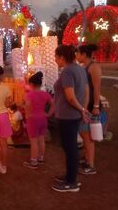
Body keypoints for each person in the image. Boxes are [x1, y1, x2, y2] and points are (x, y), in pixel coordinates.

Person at [52, 45, 89, 193]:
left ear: (62, 57)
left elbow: (70, 97)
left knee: (70, 148)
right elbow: (86, 90)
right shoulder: (80, 68)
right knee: (71, 147)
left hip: (68, 116)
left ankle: (71, 182)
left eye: (56, 57)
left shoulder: (67, 71)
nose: (55, 60)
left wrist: (81, 109)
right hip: (74, 115)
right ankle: (69, 176)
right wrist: (84, 109)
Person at [76, 44, 102, 175]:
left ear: (84, 55)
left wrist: (96, 106)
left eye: (78, 53)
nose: (76, 56)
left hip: (92, 106)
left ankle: (90, 165)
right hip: (84, 105)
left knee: (87, 136)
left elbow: (97, 88)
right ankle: (86, 158)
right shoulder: (84, 67)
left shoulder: (94, 67)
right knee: (83, 132)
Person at [22, 72, 54, 169]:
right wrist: (49, 114)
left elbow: (27, 105)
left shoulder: (30, 95)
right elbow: (53, 104)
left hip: (33, 119)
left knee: (34, 141)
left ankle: (33, 161)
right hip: (43, 118)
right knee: (41, 140)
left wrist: (27, 114)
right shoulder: (46, 94)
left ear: (31, 84)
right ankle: (41, 157)